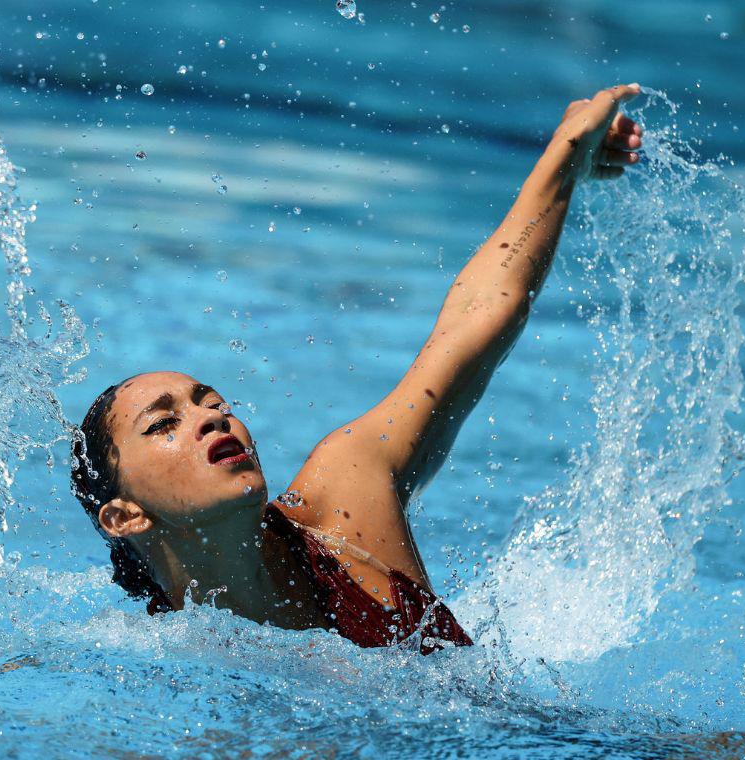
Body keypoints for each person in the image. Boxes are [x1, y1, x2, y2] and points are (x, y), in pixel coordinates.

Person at [71, 84, 645, 652]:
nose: (212, 420)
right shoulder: (142, 660)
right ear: (124, 517)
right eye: (162, 424)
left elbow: (479, 320)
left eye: (213, 402)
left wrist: (565, 155)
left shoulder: (343, 502)